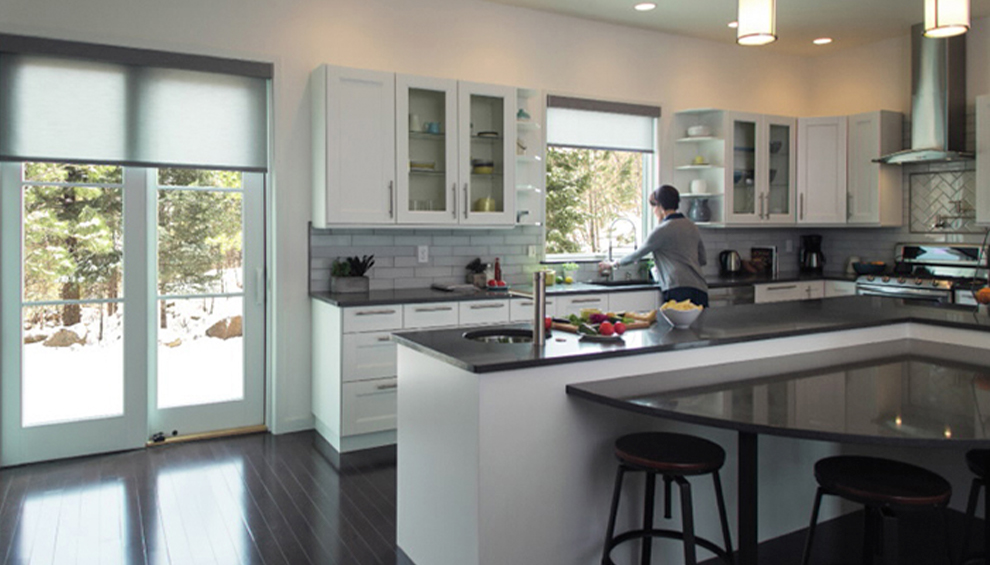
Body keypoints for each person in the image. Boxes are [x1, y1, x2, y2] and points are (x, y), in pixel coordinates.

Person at [599, 185, 709, 307]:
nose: (653, 211)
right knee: (699, 326)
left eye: (653, 206)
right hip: (700, 288)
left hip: (678, 288)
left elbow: (637, 254)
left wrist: (613, 264)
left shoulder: (662, 229)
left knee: (677, 325)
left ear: (660, 206)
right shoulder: (691, 226)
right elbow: (702, 259)